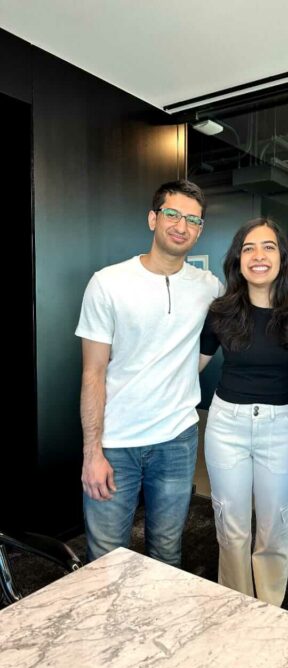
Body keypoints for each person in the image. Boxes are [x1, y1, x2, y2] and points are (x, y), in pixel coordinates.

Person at [76, 180, 222, 565]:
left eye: (193, 219)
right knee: (105, 560)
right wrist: (92, 452)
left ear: (200, 229)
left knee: (167, 553)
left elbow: (215, 336)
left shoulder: (209, 287)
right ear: (153, 218)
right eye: (172, 214)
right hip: (116, 444)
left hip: (176, 441)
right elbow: (92, 373)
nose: (182, 225)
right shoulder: (108, 283)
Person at [199, 218, 288, 606]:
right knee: (232, 524)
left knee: (275, 524)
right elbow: (193, 365)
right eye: (249, 248)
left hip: (281, 426)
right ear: (238, 259)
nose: (258, 256)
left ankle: (270, 606)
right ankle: (235, 605)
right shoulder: (221, 311)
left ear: (282, 258)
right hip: (227, 425)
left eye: (269, 247)